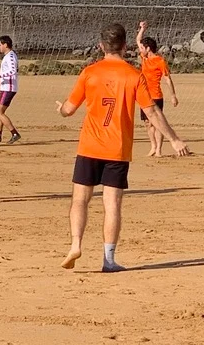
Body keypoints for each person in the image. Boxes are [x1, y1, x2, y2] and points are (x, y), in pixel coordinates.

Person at [57, 23, 190, 272]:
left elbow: (69, 108)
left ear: (101, 46)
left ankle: (75, 244)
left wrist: (61, 109)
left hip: (89, 146)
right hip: (117, 149)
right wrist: (173, 139)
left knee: (80, 199)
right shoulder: (133, 75)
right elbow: (152, 111)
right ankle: (108, 260)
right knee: (112, 204)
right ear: (125, 46)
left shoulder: (89, 72)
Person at [135, 22, 180, 158]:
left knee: (158, 123)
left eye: (143, 48)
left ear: (148, 48)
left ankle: (159, 149)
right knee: (148, 123)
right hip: (144, 95)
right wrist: (142, 29)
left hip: (156, 95)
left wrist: (173, 95)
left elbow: (167, 79)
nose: (140, 49)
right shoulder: (144, 57)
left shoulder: (160, 61)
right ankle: (153, 146)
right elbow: (138, 40)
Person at [0, 35, 21, 144]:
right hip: (5, 87)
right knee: (0, 111)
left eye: (0, 45)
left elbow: (12, 71)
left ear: (6, 45)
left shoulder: (11, 56)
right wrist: (1, 79)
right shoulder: (7, 56)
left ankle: (14, 133)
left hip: (9, 88)